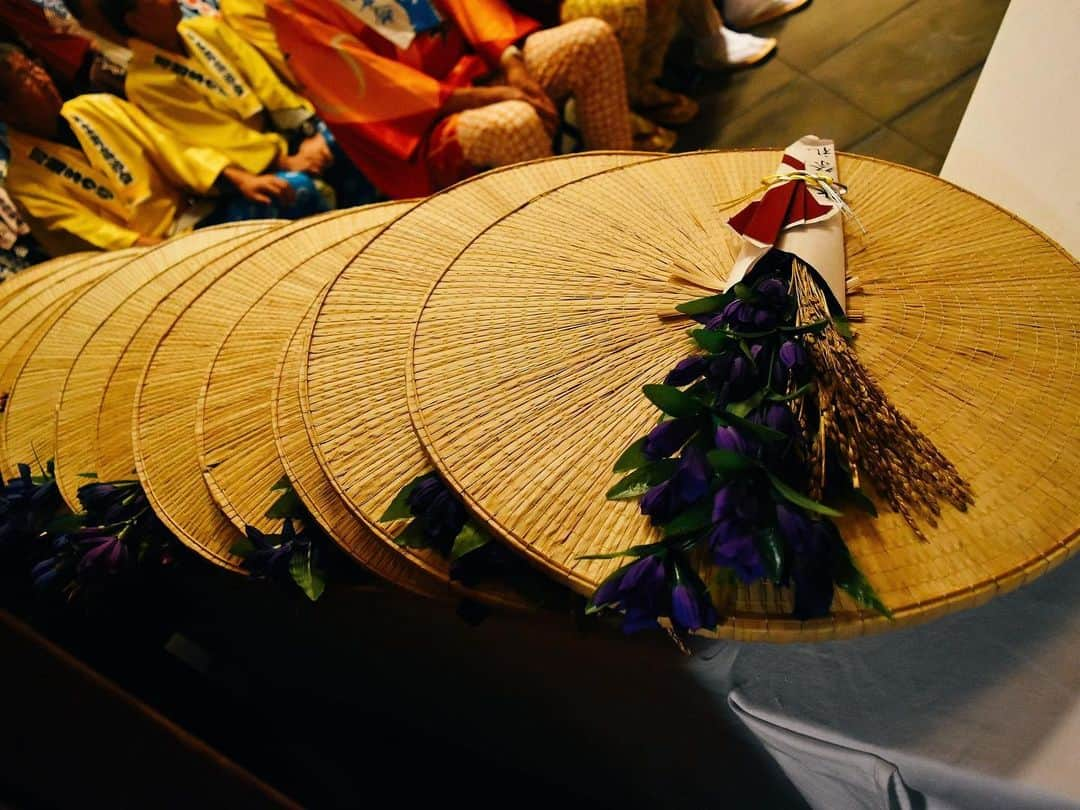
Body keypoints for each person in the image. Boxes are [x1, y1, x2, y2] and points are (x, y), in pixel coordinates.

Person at [261, 0, 634, 199]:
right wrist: (485, 95)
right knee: (514, 122)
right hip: (420, 122)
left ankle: (626, 187)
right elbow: (369, 87)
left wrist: (512, 61)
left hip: (479, 65)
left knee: (589, 39)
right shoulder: (288, 6)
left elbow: (469, 7)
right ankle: (570, 240)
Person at [0, 43, 322, 255]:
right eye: (24, 78)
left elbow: (171, 149)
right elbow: (93, 237)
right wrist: (167, 252)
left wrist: (240, 179)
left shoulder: (95, 108)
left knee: (294, 191)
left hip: (197, 215)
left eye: (33, 66)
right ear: (6, 109)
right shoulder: (24, 181)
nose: (41, 79)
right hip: (145, 259)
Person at [75, 0, 338, 209]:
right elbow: (218, 135)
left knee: (338, 135)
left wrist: (307, 130)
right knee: (297, 188)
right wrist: (285, 161)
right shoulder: (143, 82)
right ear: (136, 21)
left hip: (289, 130)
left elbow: (265, 82)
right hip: (255, 164)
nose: (169, 2)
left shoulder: (203, 28)